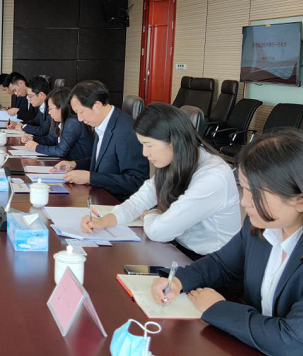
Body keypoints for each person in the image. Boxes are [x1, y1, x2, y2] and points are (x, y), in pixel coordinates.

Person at [149, 130, 303, 356]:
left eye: (255, 193)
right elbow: (222, 265)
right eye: (244, 188)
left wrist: (217, 308)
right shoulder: (262, 225)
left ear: (301, 200)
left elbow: (295, 342)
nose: (244, 202)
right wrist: (179, 281)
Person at [81, 103, 240, 258]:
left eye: (148, 145)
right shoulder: (176, 160)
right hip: (178, 248)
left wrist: (152, 214)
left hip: (212, 261)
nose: (144, 153)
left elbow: (159, 232)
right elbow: (140, 200)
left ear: (172, 142)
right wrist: (104, 221)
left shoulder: (213, 177)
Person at [54, 80, 148, 200]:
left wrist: (90, 178)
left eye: (81, 112)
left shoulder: (125, 131)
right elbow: (103, 160)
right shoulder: (103, 123)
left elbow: (136, 181)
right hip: (98, 197)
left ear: (97, 105)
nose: (80, 119)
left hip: (116, 203)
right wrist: (75, 164)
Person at [21, 87, 93, 159]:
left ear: (61, 107)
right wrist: (32, 138)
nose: (49, 112)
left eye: (50, 109)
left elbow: (60, 151)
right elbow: (49, 140)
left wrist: (36, 147)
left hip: (76, 164)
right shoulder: (60, 121)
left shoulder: (73, 122)